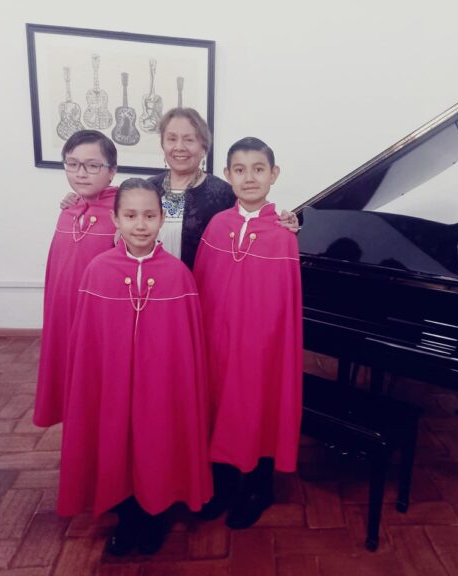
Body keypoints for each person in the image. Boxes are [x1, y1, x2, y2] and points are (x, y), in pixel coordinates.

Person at [57, 178, 213, 556]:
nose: (140, 224)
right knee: (116, 438)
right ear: (115, 218)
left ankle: (154, 514)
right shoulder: (97, 271)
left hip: (161, 387)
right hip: (111, 384)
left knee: (157, 440)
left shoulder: (178, 275)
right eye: (130, 215)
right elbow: (88, 343)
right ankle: (126, 515)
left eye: (149, 215)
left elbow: (186, 347)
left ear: (162, 219)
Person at [193, 137, 302, 529]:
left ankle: (258, 488)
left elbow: (283, 302)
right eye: (240, 169)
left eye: (259, 169)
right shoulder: (215, 222)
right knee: (218, 404)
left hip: (260, 347)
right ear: (227, 175)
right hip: (217, 341)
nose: (249, 177)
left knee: (258, 405)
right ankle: (221, 486)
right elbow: (204, 281)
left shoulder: (282, 232)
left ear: (274, 174)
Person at [59, 107, 299, 269]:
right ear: (163, 144)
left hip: (200, 294)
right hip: (148, 288)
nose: (179, 147)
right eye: (172, 139)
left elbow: (251, 222)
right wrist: (77, 201)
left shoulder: (224, 193)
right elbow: (113, 217)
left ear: (204, 148)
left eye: (189, 139)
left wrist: (287, 221)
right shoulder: (146, 188)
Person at [34, 130, 118, 427]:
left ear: (112, 171)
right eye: (72, 164)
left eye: (93, 165)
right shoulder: (68, 211)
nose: (81, 173)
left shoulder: (123, 212)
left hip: (101, 321)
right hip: (64, 313)